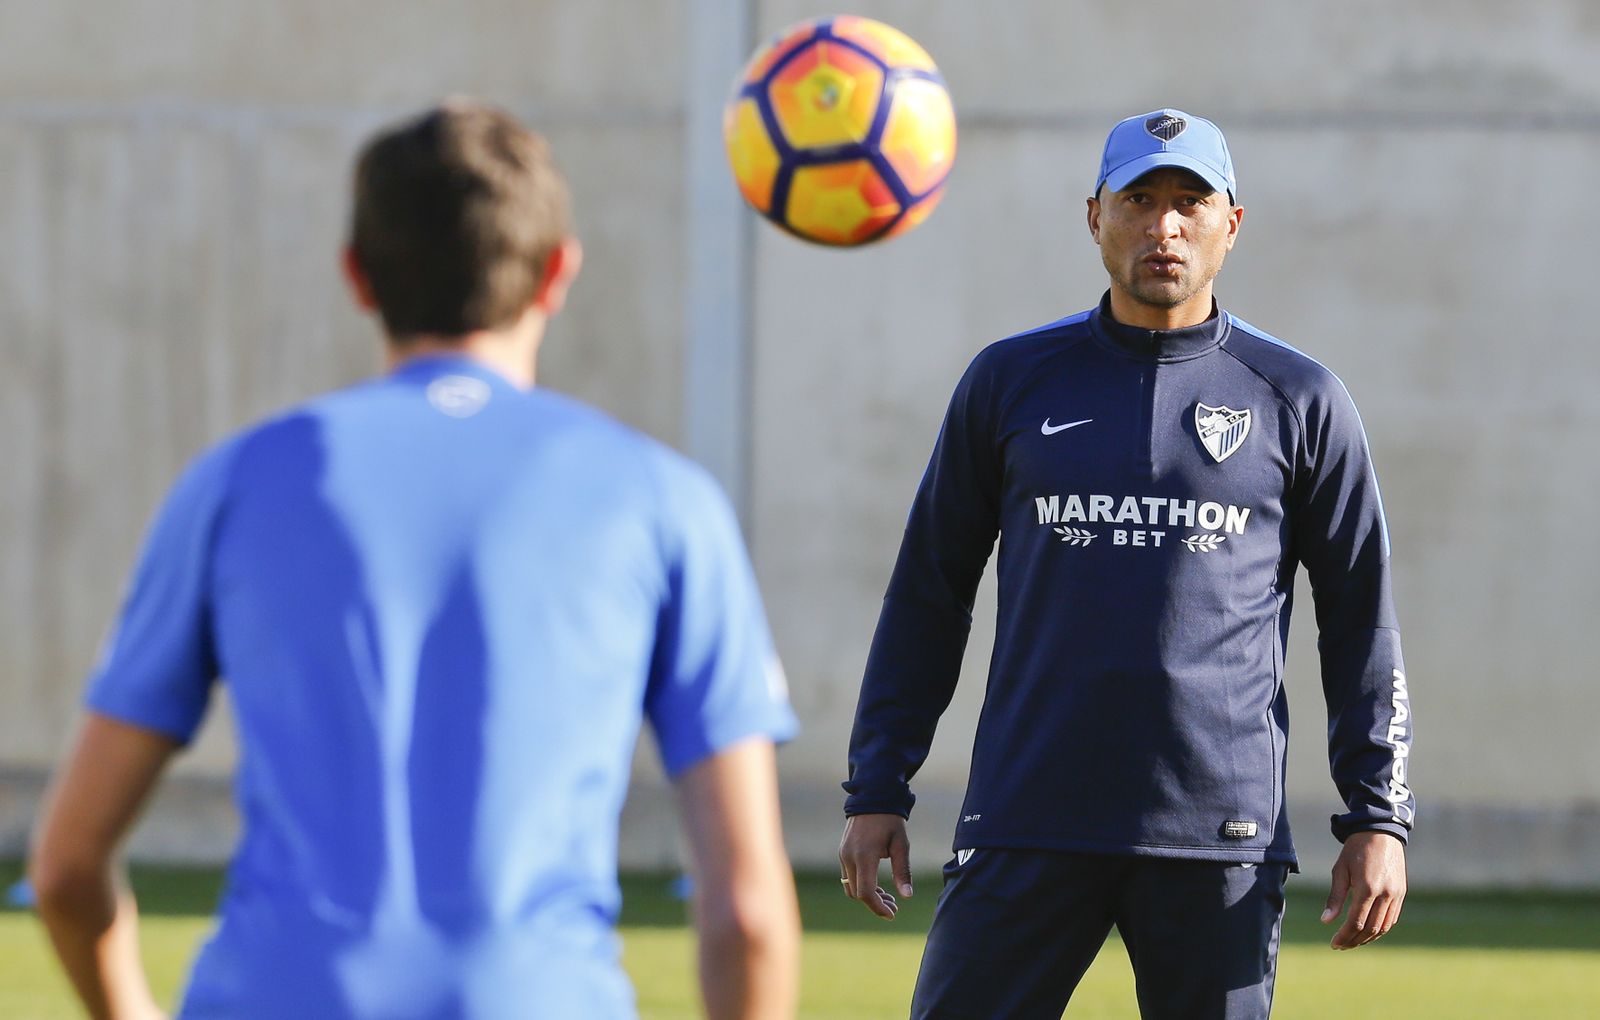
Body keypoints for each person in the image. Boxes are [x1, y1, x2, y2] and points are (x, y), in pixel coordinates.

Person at [29, 100, 801, 1020]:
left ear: (357, 275)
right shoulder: (663, 500)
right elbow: (747, 913)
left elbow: (66, 866)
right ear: (558, 273)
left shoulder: (234, 484)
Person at [837, 108, 1413, 1019]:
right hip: (1028, 815)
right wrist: (878, 785)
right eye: (1139, 200)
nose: (1164, 226)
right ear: (1095, 216)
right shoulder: (1010, 381)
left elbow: (1360, 621)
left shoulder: (1300, 399)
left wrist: (1377, 814)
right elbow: (928, 597)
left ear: (1232, 223)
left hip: (1218, 836)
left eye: (1191, 202)